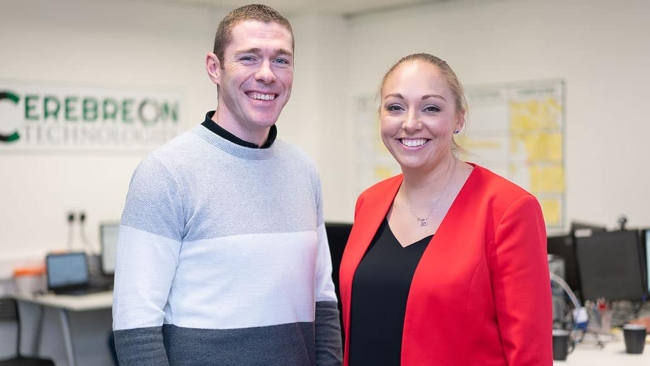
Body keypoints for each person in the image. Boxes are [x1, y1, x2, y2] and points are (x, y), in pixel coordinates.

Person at [111, 4, 342, 366]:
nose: (267, 74)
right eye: (249, 58)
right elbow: (136, 328)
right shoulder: (165, 173)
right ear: (214, 68)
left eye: (281, 60)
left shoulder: (303, 170)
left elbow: (323, 301)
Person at [338, 53, 553, 365]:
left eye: (431, 108)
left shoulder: (508, 210)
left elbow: (530, 355)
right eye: (395, 107)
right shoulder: (369, 203)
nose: (411, 123)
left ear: (459, 119)